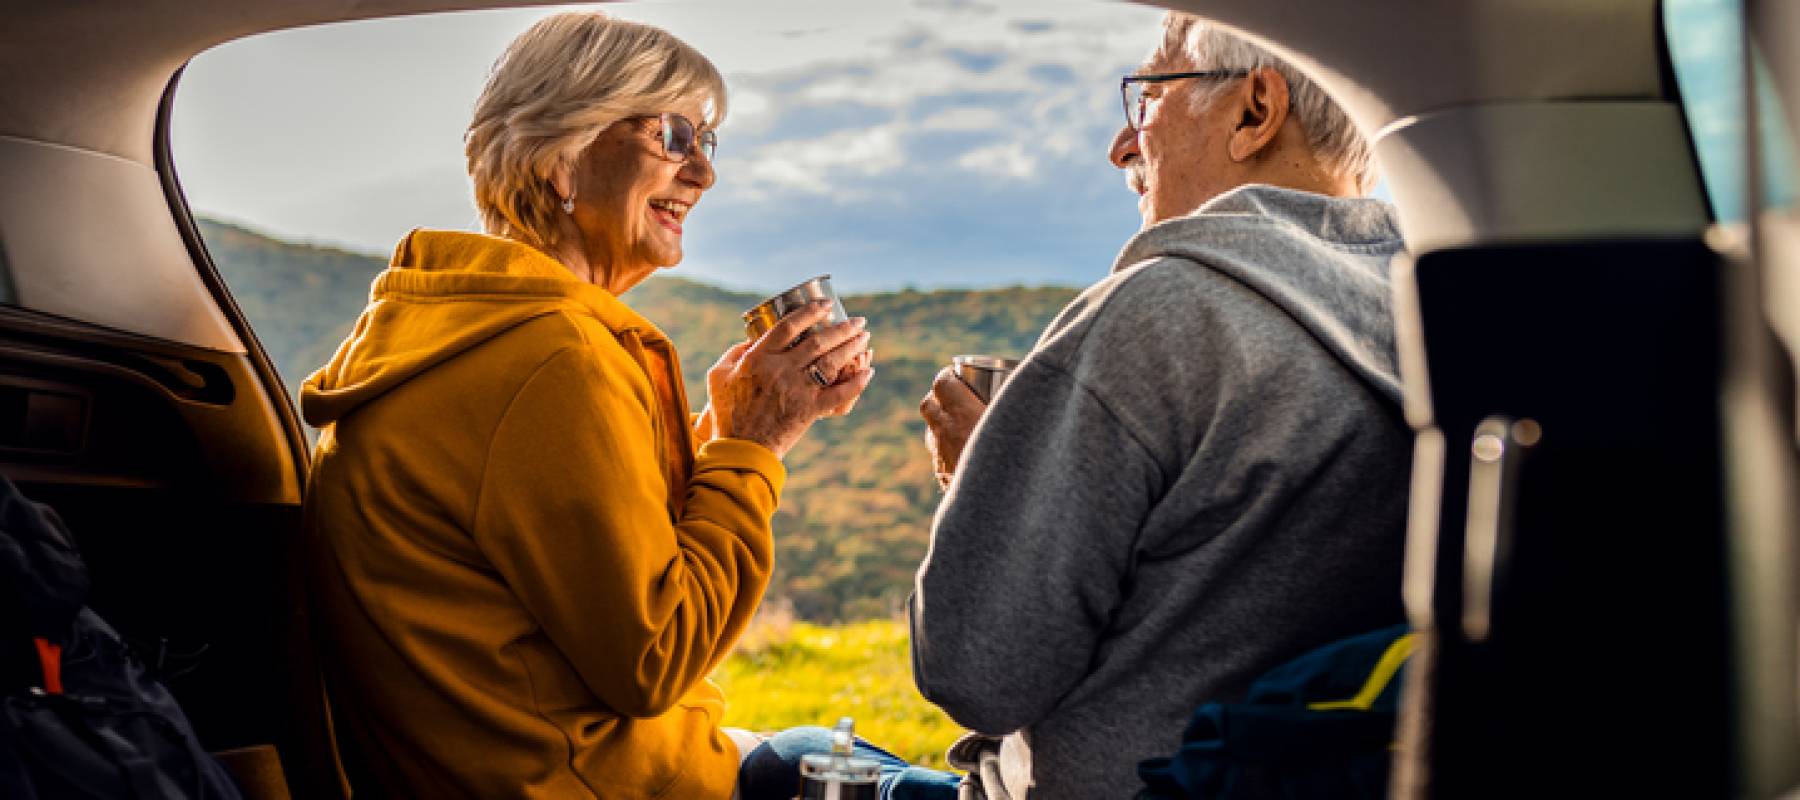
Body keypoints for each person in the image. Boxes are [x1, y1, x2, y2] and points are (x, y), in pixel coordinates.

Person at [300, 12, 942, 799]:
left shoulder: (461, 332)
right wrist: (753, 447)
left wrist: (732, 429)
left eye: (708, 142)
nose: (702, 173)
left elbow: (585, 550)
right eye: (673, 135)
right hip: (597, 785)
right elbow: (657, 657)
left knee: (823, 752)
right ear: (559, 158)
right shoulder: (552, 361)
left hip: (563, 765)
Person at [912, 12, 1412, 799]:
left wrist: (981, 478)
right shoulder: (1427, 311)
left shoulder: (1155, 314)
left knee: (778, 757)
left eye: (1147, 95)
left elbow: (976, 673)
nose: (1122, 145)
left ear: (1254, 111)